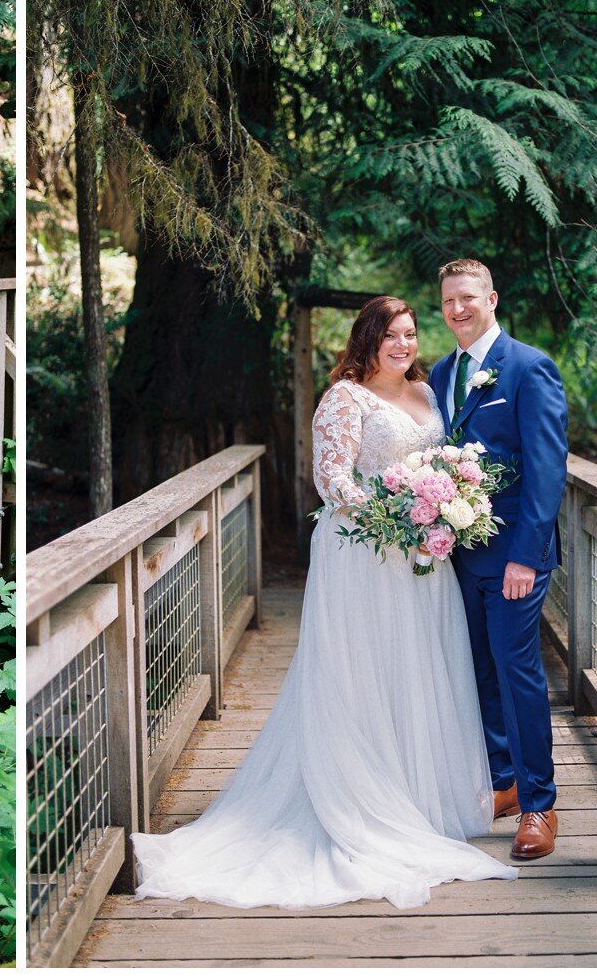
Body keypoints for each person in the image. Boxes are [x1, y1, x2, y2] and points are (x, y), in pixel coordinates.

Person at [131, 296, 517, 910]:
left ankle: (415, 798)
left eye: (411, 334)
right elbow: (332, 477)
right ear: (367, 339)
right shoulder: (344, 397)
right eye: (391, 335)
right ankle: (357, 798)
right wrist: (393, 516)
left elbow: (442, 459)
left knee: (417, 670)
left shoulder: (428, 393)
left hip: (423, 555)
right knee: (359, 672)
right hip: (364, 552)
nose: (403, 345)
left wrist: (443, 507)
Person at [429, 258, 568, 859]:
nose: (457, 310)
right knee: (477, 669)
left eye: (467, 298)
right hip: (456, 554)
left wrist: (527, 557)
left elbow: (546, 469)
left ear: (492, 298)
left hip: (513, 555)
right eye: (447, 302)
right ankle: (504, 781)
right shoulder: (441, 372)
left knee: (518, 673)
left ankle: (540, 806)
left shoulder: (529, 368)